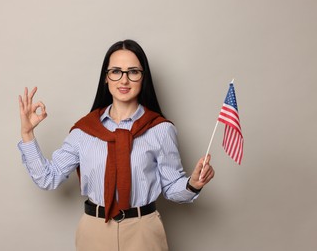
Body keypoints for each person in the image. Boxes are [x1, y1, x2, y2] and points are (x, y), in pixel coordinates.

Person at [17, 39, 215, 251]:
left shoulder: (160, 129)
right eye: (116, 71)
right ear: (106, 77)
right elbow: (49, 177)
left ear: (143, 77)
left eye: (133, 72)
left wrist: (193, 184)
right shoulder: (84, 131)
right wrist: (27, 133)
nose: (124, 80)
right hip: (95, 231)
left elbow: (171, 187)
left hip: (143, 231)